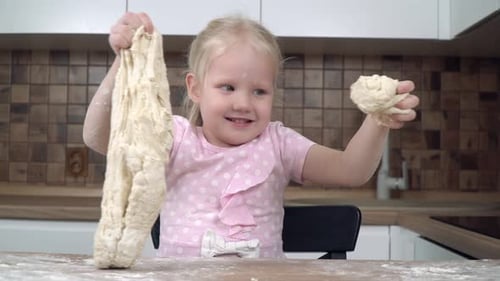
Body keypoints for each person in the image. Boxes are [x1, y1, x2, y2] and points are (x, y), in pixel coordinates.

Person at [83, 12, 419, 258]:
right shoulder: (174, 137)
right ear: (196, 88)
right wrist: (124, 62)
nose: (243, 103)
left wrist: (380, 120)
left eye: (259, 91)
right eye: (227, 87)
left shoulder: (278, 144)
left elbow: (351, 170)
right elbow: (98, 137)